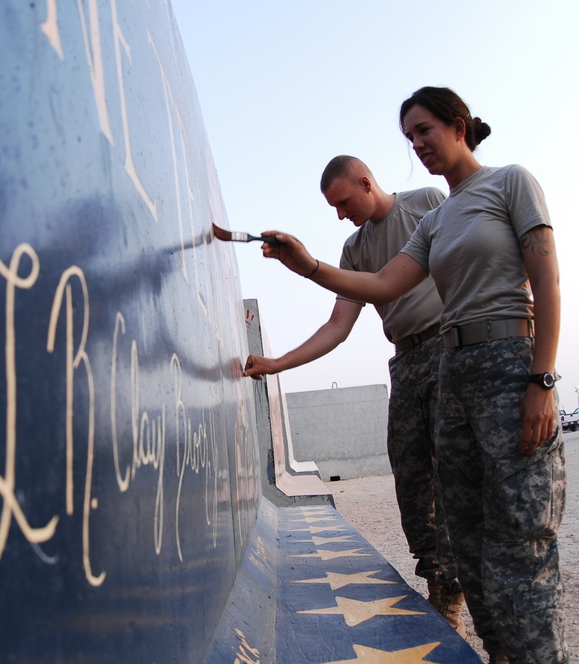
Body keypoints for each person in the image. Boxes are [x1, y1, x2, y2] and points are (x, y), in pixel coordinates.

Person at [257, 87, 568, 664]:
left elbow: (545, 281)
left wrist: (541, 379)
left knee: (521, 535)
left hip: (507, 363)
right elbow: (380, 286)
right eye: (410, 137)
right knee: (465, 530)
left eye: (425, 130)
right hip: (455, 373)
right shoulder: (438, 219)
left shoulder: (508, 183)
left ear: (458, 124)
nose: (418, 145)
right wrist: (309, 266)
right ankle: (492, 644)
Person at [242, 155, 466, 631]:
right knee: (412, 483)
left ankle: (469, 593)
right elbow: (338, 326)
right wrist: (276, 364)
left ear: (366, 182)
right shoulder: (355, 250)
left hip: (450, 351)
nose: (340, 214)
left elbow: (469, 256)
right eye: (333, 207)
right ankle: (441, 589)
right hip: (406, 362)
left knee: (459, 480)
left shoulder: (426, 204)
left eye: (343, 202)